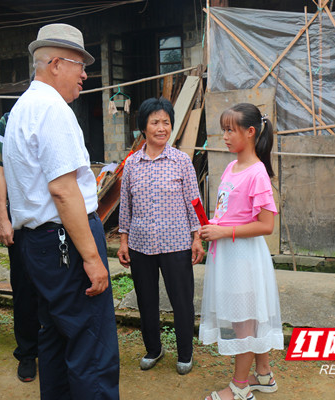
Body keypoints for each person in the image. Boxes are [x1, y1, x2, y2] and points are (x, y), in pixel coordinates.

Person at [3, 23, 119, 399]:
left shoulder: (22, 108)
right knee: (91, 346)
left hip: (38, 243)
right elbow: (64, 191)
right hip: (65, 241)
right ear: (55, 64)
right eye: (79, 65)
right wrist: (91, 257)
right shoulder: (52, 110)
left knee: (53, 337)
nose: (85, 74)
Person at [198, 103, 283, 400]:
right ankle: (264, 375)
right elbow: (228, 211)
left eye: (230, 130)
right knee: (247, 316)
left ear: (249, 132)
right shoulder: (233, 167)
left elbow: (267, 225)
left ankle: (240, 387)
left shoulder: (257, 172)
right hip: (229, 254)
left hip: (244, 256)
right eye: (223, 130)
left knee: (243, 319)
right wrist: (211, 226)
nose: (225, 136)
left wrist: (223, 231)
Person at [117, 97, 204, 375]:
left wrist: (197, 237)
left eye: (166, 122)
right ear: (144, 126)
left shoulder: (181, 161)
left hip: (176, 243)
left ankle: (185, 353)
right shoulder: (131, 164)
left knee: (182, 301)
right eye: (155, 122)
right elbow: (125, 205)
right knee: (146, 300)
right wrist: (123, 240)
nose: (161, 128)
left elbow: (195, 202)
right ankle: (154, 349)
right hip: (141, 245)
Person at [0, 112, 40, 382]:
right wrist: (2, 218)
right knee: (23, 288)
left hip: (54, 221)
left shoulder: (60, 111)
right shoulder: (9, 120)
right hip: (20, 220)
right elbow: (0, 169)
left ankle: (52, 349)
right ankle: (27, 353)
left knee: (56, 290)